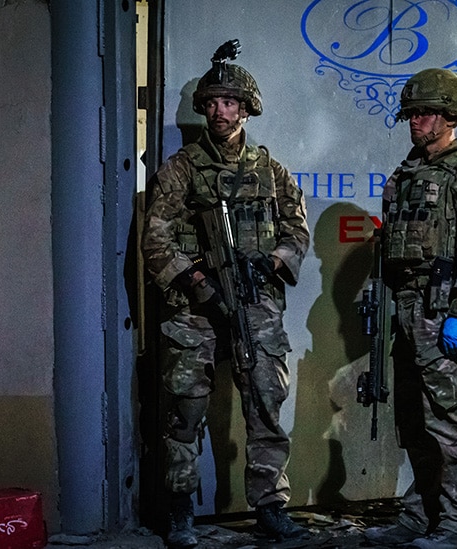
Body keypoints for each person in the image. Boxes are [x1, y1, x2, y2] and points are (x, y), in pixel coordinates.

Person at [142, 41, 310, 548]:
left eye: (230, 102)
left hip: (255, 306)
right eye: (213, 102)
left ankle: (270, 506)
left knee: (265, 406)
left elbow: (296, 231)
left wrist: (274, 261)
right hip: (195, 309)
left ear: (247, 107)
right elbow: (155, 237)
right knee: (184, 412)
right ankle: (179, 511)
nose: (221, 111)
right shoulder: (181, 168)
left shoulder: (271, 170)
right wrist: (193, 279)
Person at [362, 68, 457, 549]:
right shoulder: (404, 174)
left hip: (443, 306)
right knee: (414, 416)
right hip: (405, 306)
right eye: (411, 114)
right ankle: (423, 509)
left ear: (449, 116)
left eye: (424, 113)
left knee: (453, 418)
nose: (415, 122)